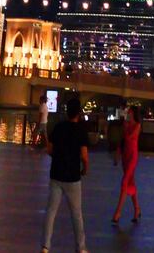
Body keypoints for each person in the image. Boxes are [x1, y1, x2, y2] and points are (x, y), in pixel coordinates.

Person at [40, 95, 89, 253]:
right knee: (76, 214)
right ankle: (80, 248)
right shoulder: (81, 131)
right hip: (73, 177)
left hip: (56, 175)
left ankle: (46, 246)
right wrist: (85, 168)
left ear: (67, 112)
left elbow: (50, 150)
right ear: (78, 113)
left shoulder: (59, 127)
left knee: (51, 212)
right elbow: (84, 156)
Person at [111, 104, 141, 225]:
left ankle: (118, 212)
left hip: (133, 156)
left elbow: (130, 138)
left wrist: (125, 127)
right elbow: (122, 142)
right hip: (125, 156)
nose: (128, 113)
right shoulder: (126, 125)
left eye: (129, 112)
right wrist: (117, 156)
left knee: (125, 182)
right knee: (130, 182)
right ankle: (137, 209)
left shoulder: (137, 126)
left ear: (133, 113)